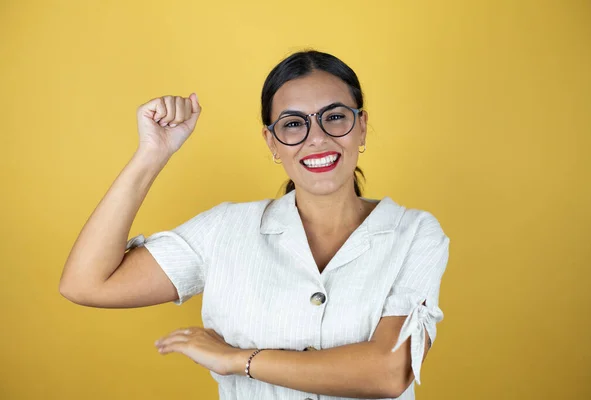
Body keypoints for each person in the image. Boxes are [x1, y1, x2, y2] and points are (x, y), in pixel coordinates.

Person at [59, 50, 450, 400]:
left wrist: (238, 359)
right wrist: (152, 154)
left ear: (361, 126)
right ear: (272, 142)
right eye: (293, 124)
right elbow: (86, 283)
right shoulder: (225, 229)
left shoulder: (414, 233)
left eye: (334, 117)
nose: (317, 138)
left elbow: (388, 371)